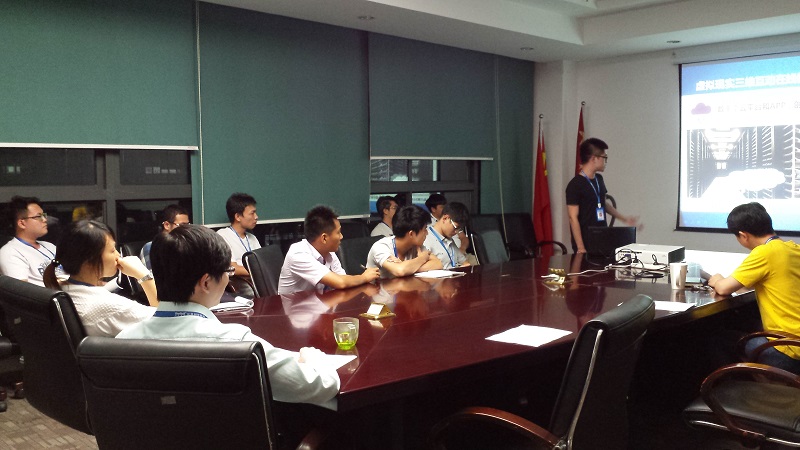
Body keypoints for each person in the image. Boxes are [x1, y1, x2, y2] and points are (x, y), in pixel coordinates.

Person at [117, 224, 340, 410]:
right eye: (228, 272)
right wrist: (313, 358)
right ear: (206, 282)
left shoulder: (121, 344)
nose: (227, 280)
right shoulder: (238, 345)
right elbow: (321, 385)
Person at [708, 202, 800, 373]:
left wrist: (717, 279)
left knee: (716, 338)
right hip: (797, 341)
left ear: (743, 235)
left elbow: (723, 288)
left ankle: (741, 387)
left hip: (788, 351)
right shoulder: (793, 248)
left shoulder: (764, 252)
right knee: (744, 323)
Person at [42, 220, 157, 337]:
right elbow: (165, 322)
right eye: (112, 250)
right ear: (89, 261)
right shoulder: (111, 307)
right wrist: (143, 275)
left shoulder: (58, 284)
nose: (118, 255)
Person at [278, 205, 380, 294]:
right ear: (324, 238)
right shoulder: (298, 254)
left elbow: (343, 278)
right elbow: (340, 282)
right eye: (338, 232)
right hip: (294, 308)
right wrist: (364, 277)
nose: (341, 236)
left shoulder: (329, 253)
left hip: (318, 304)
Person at [566, 138, 638, 254]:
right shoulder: (575, 185)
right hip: (585, 241)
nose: (606, 162)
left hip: (602, 237)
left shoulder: (599, 179)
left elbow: (603, 203)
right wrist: (580, 247)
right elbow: (572, 218)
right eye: (605, 158)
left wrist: (624, 218)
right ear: (594, 158)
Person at [366, 205, 442, 278]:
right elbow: (400, 270)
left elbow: (438, 264)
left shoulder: (416, 246)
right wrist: (422, 258)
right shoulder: (381, 247)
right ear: (411, 234)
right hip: (378, 287)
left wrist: (409, 268)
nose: (427, 233)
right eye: (424, 229)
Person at [0, 196, 57, 286]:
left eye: (44, 215)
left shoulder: (50, 246)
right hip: (49, 295)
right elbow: (21, 290)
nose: (45, 219)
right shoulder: (10, 252)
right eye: (39, 216)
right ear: (22, 223)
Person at [216, 193, 261, 296]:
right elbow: (232, 267)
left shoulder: (252, 238)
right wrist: (260, 272)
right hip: (240, 288)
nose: (256, 217)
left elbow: (262, 263)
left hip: (257, 284)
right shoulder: (223, 235)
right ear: (238, 216)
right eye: (252, 213)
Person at [140, 204, 190, 270]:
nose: (186, 229)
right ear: (167, 225)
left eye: (188, 225)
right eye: (182, 225)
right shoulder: (151, 247)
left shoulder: (186, 245)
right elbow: (149, 275)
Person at [423, 201, 470, 269]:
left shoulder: (449, 239)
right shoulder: (426, 239)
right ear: (445, 218)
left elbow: (465, 263)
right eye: (455, 227)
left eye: (459, 229)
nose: (456, 232)